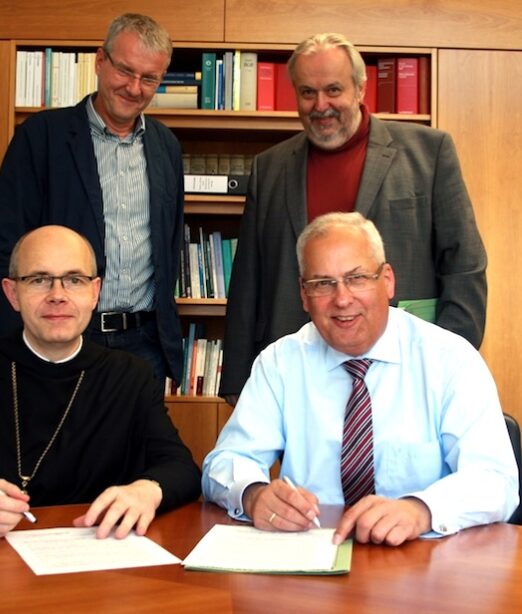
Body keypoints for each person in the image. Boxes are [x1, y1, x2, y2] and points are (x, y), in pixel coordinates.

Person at [202, 212, 517, 546]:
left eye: (357, 278)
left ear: (388, 281)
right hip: (311, 553)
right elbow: (223, 463)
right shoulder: (280, 363)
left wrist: (421, 509)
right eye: (323, 283)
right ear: (303, 295)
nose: (342, 299)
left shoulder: (450, 359)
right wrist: (253, 495)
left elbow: (496, 481)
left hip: (424, 562)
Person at [219, 32, 487, 403]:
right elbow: (248, 280)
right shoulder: (270, 168)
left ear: (360, 89)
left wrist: (449, 362)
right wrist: (237, 380)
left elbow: (465, 267)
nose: (321, 104)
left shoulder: (429, 153)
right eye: (307, 92)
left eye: (333, 90)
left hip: (406, 371)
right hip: (298, 375)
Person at [0, 225, 200, 540]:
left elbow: (181, 468)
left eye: (74, 280)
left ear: (94, 292)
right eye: (38, 279)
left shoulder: (130, 376)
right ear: (12, 293)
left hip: (95, 560)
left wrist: (146, 491)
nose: (57, 296)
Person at [0, 13, 184, 387]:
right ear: (100, 61)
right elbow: (3, 252)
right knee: (56, 445)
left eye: (149, 78)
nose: (135, 88)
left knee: (138, 446)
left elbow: (169, 245)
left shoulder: (166, 146)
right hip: (59, 336)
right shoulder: (41, 137)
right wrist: (17, 345)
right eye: (125, 70)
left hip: (144, 345)